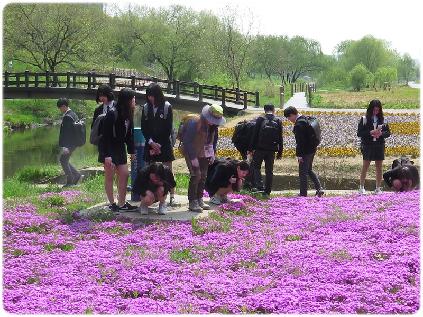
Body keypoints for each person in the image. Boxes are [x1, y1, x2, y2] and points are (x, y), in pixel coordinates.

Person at [180, 104, 226, 212]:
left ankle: (200, 198)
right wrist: (193, 158)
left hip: (204, 153)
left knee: (204, 176)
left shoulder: (214, 126)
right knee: (196, 175)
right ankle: (192, 201)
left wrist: (212, 153)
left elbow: (213, 141)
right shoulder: (194, 123)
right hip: (191, 152)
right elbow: (187, 141)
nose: (213, 122)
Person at [98, 88, 138, 212]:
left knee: (125, 175)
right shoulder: (112, 113)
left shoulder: (128, 113)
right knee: (109, 175)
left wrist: (132, 151)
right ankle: (112, 203)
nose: (134, 101)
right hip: (109, 149)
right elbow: (104, 137)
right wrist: (106, 155)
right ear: (127, 100)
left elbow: (129, 135)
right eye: (133, 99)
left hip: (120, 148)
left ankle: (121, 203)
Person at [141, 83, 178, 207]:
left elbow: (168, 128)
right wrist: (151, 143)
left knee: (168, 171)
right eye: (149, 96)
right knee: (150, 171)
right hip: (150, 144)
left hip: (164, 145)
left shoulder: (167, 107)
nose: (151, 98)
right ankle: (151, 196)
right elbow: (144, 128)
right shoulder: (146, 108)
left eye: (153, 96)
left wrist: (159, 145)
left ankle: (172, 196)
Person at [283, 106, 324, 197]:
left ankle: (303, 194)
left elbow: (300, 142)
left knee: (302, 173)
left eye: (289, 117)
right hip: (312, 149)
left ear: (293, 115)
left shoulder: (299, 125)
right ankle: (319, 188)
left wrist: (299, 155)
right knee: (309, 170)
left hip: (305, 152)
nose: (289, 120)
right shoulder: (305, 118)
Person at [248, 103, 283, 196]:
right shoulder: (278, 120)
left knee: (256, 167)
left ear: (264, 110)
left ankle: (260, 186)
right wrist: (280, 151)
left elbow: (254, 135)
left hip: (260, 149)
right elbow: (280, 137)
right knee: (269, 170)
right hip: (271, 150)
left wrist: (251, 148)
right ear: (273, 110)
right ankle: (267, 191)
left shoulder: (261, 119)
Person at [357, 99, 391, 194]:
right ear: (370, 109)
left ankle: (378, 188)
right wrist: (370, 132)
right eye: (374, 110)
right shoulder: (364, 119)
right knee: (365, 166)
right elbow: (359, 133)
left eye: (378, 110)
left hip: (379, 145)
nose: (376, 112)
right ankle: (361, 187)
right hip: (368, 145)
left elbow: (388, 133)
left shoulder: (383, 119)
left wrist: (380, 134)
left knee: (379, 167)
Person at [57, 98, 82, 187]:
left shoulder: (67, 117)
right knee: (64, 160)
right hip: (74, 143)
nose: (60, 110)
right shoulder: (73, 114)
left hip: (69, 144)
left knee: (63, 160)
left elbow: (67, 133)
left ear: (64, 106)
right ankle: (76, 175)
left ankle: (70, 181)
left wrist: (66, 147)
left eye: (60, 108)